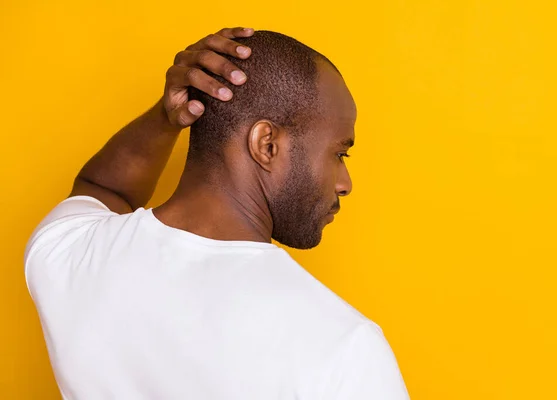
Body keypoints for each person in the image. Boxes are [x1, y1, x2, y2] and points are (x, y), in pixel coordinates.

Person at [25, 27, 410, 399]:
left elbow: (102, 188)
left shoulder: (66, 253)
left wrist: (166, 116)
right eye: (340, 154)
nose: (345, 182)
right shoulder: (343, 349)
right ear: (267, 144)